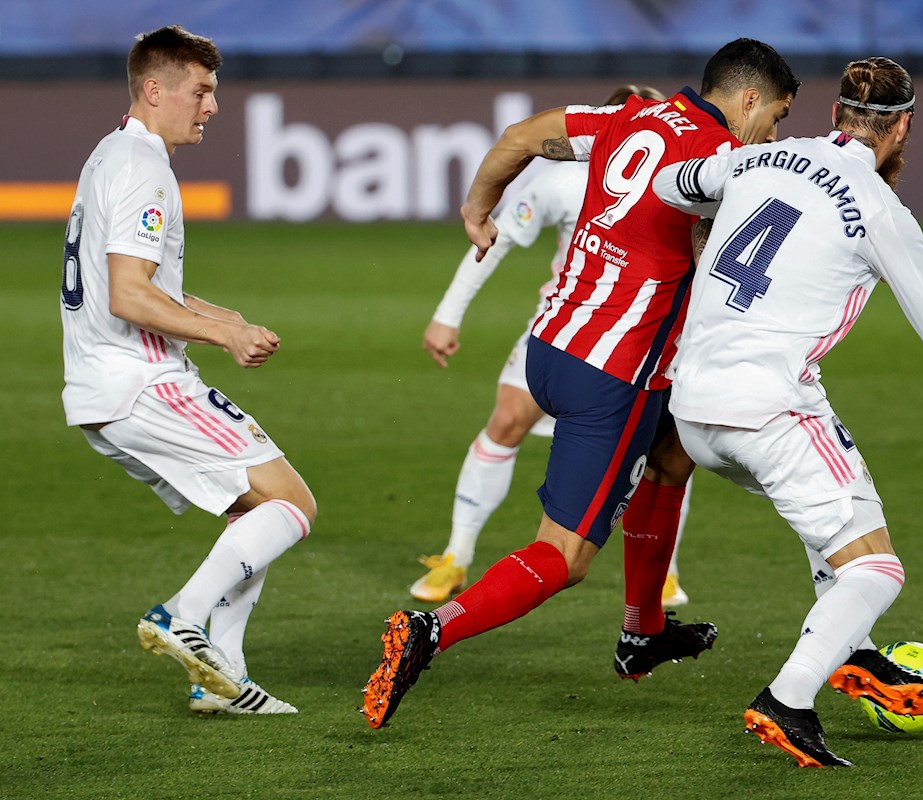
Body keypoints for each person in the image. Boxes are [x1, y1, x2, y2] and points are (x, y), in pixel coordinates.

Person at [361, 39, 799, 729]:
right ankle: (428, 631)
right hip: (615, 372)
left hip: (550, 347)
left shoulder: (629, 119)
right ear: (750, 98)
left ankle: (644, 631)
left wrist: (479, 209)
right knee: (562, 557)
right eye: (775, 115)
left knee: (674, 453)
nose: (774, 132)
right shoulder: (719, 164)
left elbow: (519, 138)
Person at [651, 56, 923, 766]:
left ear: (834, 114)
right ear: (900, 128)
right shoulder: (878, 208)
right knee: (876, 570)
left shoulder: (759, 158)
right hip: (768, 408)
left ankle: (856, 654)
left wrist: (719, 195)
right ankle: (789, 698)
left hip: (693, 406)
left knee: (844, 518)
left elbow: (671, 183)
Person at [59, 25, 316, 715]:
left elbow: (146, 283)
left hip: (103, 384)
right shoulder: (143, 166)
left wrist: (225, 320)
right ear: (154, 90)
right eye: (200, 92)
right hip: (138, 378)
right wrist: (221, 338)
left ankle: (219, 678)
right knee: (291, 503)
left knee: (250, 510)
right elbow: (130, 295)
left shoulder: (111, 154)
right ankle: (181, 616)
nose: (211, 107)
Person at [414, 85, 694, 609]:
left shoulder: (684, 181)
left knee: (666, 450)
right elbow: (494, 237)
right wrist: (447, 315)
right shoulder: (561, 179)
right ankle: (456, 555)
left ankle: (664, 573)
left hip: (643, 339)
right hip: (566, 327)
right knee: (505, 421)